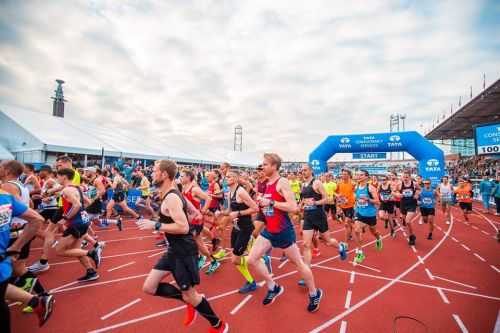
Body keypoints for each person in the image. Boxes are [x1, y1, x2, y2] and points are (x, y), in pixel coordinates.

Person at [139, 160, 228, 332]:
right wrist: (195, 215)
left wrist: (156, 225)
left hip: (184, 252)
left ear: (164, 174)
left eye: (155, 171)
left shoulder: (172, 197)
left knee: (192, 296)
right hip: (174, 250)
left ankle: (219, 326)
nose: (152, 173)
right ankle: (188, 300)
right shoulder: (174, 192)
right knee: (149, 287)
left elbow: (183, 227)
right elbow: (193, 212)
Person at [247, 153, 323, 313]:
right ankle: (273, 286)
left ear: (274, 166)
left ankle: (314, 293)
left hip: (283, 231)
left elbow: (294, 207)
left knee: (299, 264)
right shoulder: (267, 183)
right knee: (252, 259)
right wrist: (262, 203)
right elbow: (268, 207)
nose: (262, 167)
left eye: (265, 164)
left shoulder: (282, 182)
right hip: (269, 230)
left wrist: (272, 202)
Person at [0, 187, 54, 332]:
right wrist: (16, 246)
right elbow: (36, 216)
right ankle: (37, 300)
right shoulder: (6, 195)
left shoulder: (9, 189)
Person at [297, 164, 347, 285]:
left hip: (319, 216)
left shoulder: (317, 183)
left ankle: (341, 246)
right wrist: (300, 206)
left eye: (305, 170)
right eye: (302, 170)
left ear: (311, 171)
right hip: (308, 216)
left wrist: (315, 202)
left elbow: (327, 198)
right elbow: (303, 200)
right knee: (306, 244)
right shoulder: (303, 184)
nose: (303, 172)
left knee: (328, 241)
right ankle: (306, 273)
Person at [55, 168, 103, 282]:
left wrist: (66, 218)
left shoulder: (67, 190)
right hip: (83, 220)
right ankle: (91, 272)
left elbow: (76, 205)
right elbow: (88, 202)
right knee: (76, 250)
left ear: (64, 177)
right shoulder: (78, 188)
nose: (57, 179)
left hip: (76, 223)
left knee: (59, 250)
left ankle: (92, 252)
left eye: (58, 176)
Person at [224, 170, 261, 293]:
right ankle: (251, 282)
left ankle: (258, 259)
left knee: (234, 259)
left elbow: (255, 208)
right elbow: (229, 211)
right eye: (226, 176)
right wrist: (220, 213)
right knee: (235, 259)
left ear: (235, 178)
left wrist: (238, 213)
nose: (226, 178)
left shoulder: (241, 191)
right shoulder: (229, 192)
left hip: (245, 228)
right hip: (236, 228)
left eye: (228, 176)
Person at [353, 170, 382, 264]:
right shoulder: (356, 186)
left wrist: (368, 199)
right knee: (357, 230)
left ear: (366, 177)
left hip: (370, 215)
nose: (359, 176)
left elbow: (378, 202)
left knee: (374, 231)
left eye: (361, 175)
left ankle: (378, 238)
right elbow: (356, 199)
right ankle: (360, 253)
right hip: (359, 213)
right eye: (358, 175)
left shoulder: (370, 188)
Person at [394, 170, 420, 246]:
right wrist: (397, 194)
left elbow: (419, 189)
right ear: (402, 177)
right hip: (403, 204)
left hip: (412, 204)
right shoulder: (399, 184)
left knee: (408, 221)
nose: (405, 178)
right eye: (404, 177)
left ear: (410, 177)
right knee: (404, 221)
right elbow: (393, 191)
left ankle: (412, 236)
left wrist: (417, 195)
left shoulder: (414, 184)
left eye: (407, 177)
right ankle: (411, 234)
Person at [336, 169, 356, 242]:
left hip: (350, 206)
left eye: (345, 174)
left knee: (346, 223)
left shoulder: (353, 184)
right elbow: (335, 193)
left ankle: (345, 243)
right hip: (342, 206)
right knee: (349, 223)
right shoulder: (339, 183)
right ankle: (353, 232)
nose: (343, 175)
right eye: (342, 174)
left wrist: (352, 199)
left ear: (349, 175)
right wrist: (338, 196)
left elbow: (357, 193)